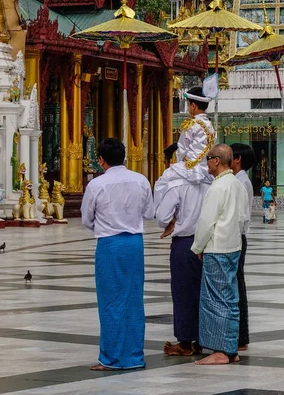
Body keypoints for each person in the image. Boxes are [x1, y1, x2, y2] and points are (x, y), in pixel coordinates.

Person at [81, 138, 154, 371]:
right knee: (133, 299)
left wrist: (104, 227)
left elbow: (86, 219)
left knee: (110, 301)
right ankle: (133, 356)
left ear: (101, 160)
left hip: (109, 244)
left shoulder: (96, 185)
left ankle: (111, 358)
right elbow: (150, 213)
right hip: (134, 244)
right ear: (124, 156)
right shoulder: (140, 180)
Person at [191, 144, 249, 365]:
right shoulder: (237, 184)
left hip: (217, 248)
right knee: (230, 298)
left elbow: (206, 222)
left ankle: (220, 350)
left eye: (208, 158)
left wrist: (198, 247)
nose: (207, 162)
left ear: (216, 161)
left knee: (215, 300)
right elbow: (243, 218)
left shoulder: (218, 187)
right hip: (233, 245)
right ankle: (231, 347)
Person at [156, 148, 210, 357]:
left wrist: (172, 221)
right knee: (204, 292)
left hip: (185, 243)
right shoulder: (211, 183)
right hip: (208, 242)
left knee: (183, 292)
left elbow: (161, 216)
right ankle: (202, 339)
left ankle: (186, 342)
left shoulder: (177, 185)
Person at [154, 87, 215, 212]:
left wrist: (178, 163)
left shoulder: (191, 124)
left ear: (193, 106)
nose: (188, 108)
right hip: (205, 167)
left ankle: (160, 212)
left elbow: (182, 148)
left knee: (162, 182)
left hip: (190, 166)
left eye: (188, 105)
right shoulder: (210, 125)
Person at [231, 143, 255, 351]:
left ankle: (241, 336)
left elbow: (239, 216)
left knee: (237, 284)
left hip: (237, 237)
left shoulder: (240, 182)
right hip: (237, 236)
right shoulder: (237, 180)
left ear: (237, 159)